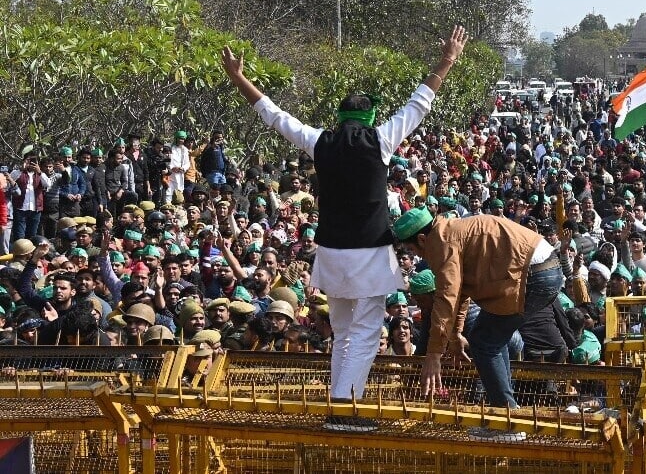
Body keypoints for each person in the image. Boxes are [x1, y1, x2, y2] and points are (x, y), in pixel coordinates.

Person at [219, 25, 466, 432]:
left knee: (344, 332)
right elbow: (419, 102)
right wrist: (447, 60)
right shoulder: (382, 138)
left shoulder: (320, 142)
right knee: (365, 334)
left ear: (340, 118)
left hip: (332, 256)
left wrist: (238, 78)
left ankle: (341, 406)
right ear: (369, 117)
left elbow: (275, 115)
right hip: (369, 256)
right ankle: (346, 410)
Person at [395, 209, 562, 441]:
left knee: (484, 343)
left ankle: (507, 421)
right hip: (543, 268)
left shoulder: (442, 242)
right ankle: (506, 414)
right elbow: (461, 292)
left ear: (422, 239)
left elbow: (447, 297)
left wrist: (434, 355)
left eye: (413, 250)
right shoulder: (450, 232)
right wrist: (454, 336)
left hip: (533, 273)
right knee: (489, 339)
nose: (419, 257)